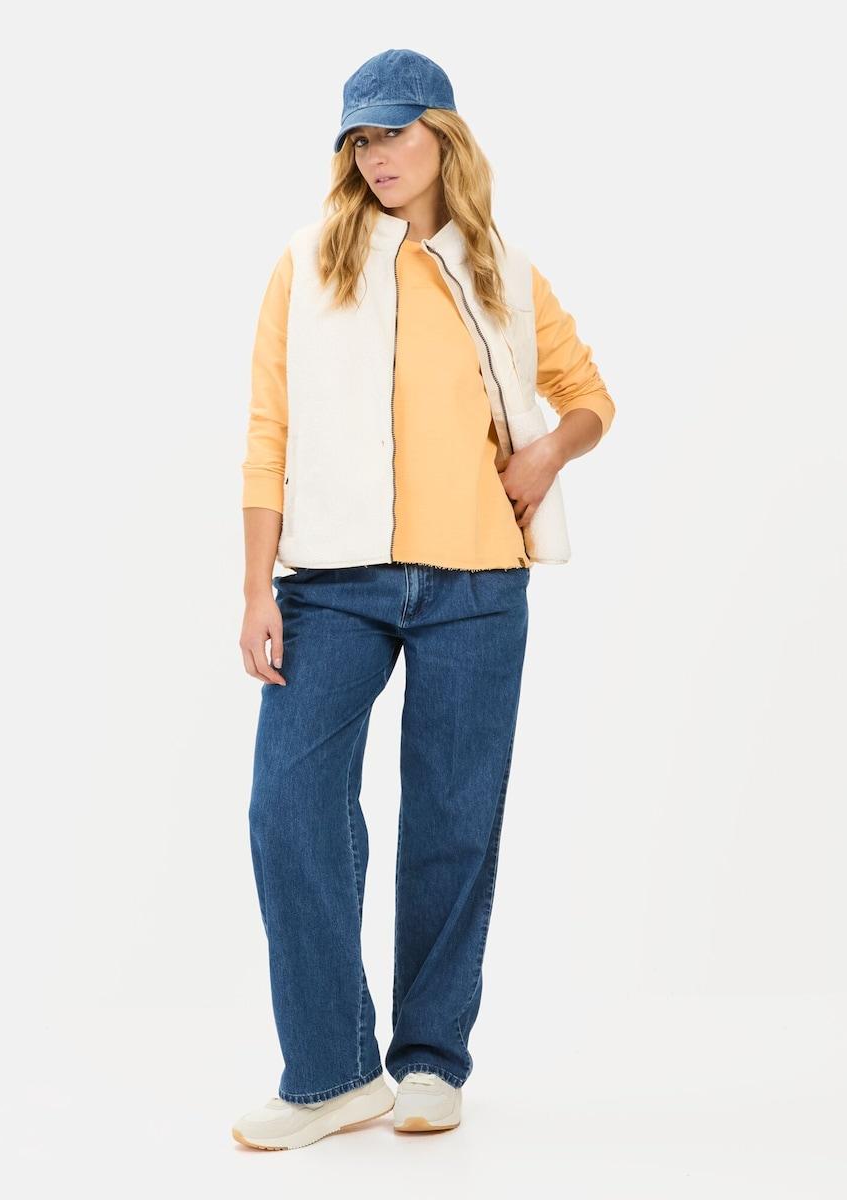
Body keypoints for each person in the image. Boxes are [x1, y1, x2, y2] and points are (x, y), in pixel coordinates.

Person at [232, 48, 616, 1152]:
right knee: (288, 806)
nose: (377, 155)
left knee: (453, 820)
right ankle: (332, 1072)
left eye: (395, 132)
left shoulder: (503, 270)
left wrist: (545, 455)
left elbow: (588, 395)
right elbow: (268, 431)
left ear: (444, 135)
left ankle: (432, 1061)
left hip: (477, 582)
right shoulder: (306, 264)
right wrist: (255, 586)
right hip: (331, 585)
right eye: (360, 138)